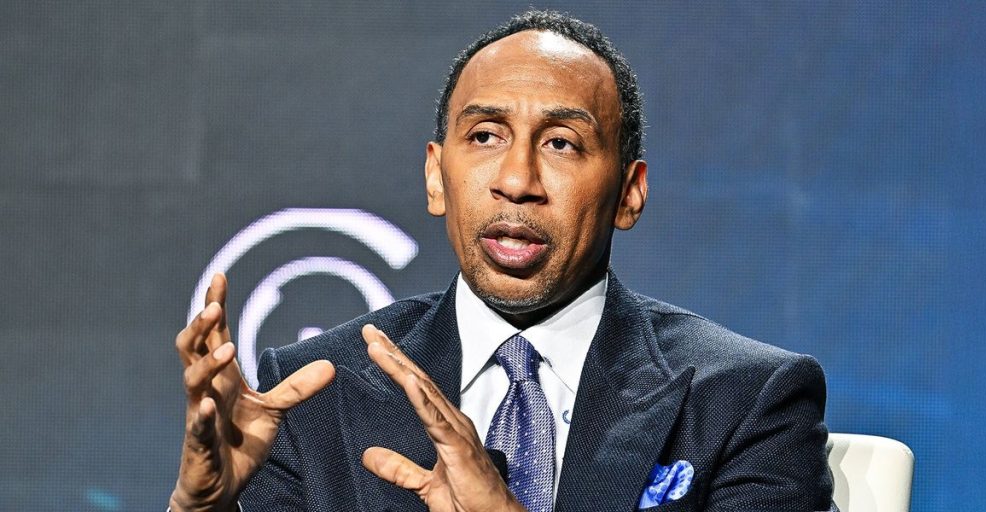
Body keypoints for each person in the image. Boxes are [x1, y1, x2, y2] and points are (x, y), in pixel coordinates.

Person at [169, 10, 834, 512]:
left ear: (629, 194)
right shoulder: (315, 392)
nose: (517, 180)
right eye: (486, 136)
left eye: (562, 144)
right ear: (437, 177)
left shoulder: (744, 401)